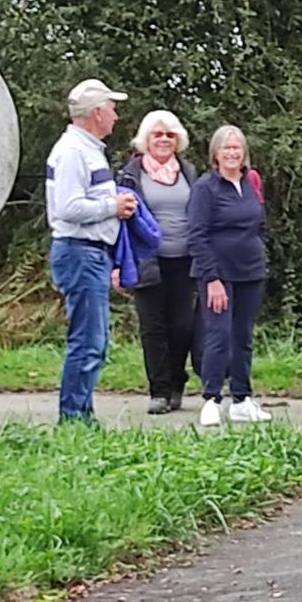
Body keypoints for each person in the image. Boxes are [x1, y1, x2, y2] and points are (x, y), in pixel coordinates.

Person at [45, 78, 135, 423]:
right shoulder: (73, 152)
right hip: (80, 252)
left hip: (91, 253)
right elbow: (68, 208)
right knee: (87, 341)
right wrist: (113, 207)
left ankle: (82, 416)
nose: (115, 115)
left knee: (94, 341)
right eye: (112, 108)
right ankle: (73, 419)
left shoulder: (88, 149)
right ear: (97, 112)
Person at [116, 110, 201, 414]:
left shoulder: (189, 172)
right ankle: (159, 392)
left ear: (178, 140)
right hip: (146, 261)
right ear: (146, 139)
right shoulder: (130, 175)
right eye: (157, 134)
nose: (164, 139)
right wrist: (117, 265)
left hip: (185, 261)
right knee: (153, 329)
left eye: (169, 135)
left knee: (183, 327)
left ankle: (177, 383)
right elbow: (120, 225)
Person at [188, 125, 271, 426]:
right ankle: (211, 399)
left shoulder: (250, 183)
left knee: (242, 336)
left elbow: (259, 224)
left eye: (237, 147)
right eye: (226, 148)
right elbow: (196, 235)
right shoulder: (205, 188)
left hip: (250, 271)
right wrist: (212, 278)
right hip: (217, 275)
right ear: (216, 153)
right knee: (218, 336)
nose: (232, 153)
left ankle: (241, 399)